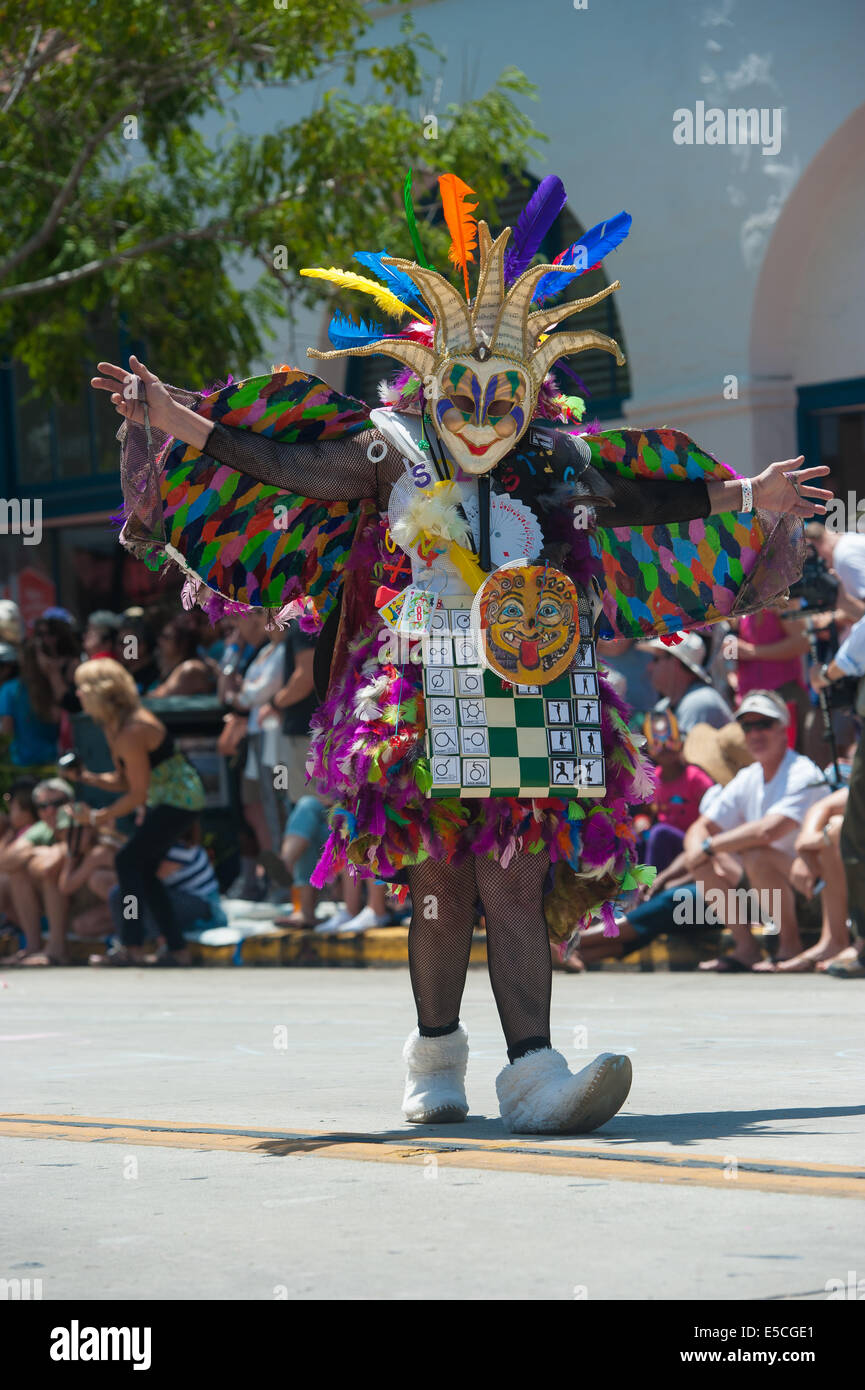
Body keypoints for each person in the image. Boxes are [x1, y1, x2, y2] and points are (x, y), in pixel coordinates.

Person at [92, 180, 829, 1132]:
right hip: (414, 693)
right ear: (434, 382)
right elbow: (280, 465)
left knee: (515, 867)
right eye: (466, 391)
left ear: (530, 391)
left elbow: (639, 500)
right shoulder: (390, 449)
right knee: (440, 877)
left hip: (528, 681)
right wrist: (177, 421)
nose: (483, 412)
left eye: (504, 394)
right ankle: (434, 1058)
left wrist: (745, 500)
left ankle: (534, 1077)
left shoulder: (552, 461)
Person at [73, 658, 206, 966]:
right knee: (143, 871)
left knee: (127, 860)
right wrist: (85, 777)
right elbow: (124, 781)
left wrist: (97, 818)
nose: (77, 694)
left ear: (99, 692)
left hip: (180, 801)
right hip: (167, 800)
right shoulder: (114, 726)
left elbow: (137, 793)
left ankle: (132, 946)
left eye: (82, 688)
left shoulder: (133, 728)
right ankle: (176, 949)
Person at [637, 632, 734, 734]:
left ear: (675, 662)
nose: (649, 667)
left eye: (656, 659)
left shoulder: (698, 701)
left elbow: (689, 749)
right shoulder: (664, 706)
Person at [149, 614, 215, 697]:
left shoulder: (191, 669)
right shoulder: (166, 669)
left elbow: (159, 698)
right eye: (161, 636)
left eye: (166, 637)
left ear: (183, 643)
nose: (160, 641)